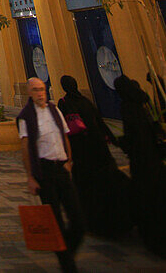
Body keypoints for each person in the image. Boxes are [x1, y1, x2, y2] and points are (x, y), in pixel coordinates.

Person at [18, 77, 85, 272]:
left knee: (78, 220)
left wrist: (69, 162)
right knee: (55, 220)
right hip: (44, 172)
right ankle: (67, 264)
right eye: (36, 90)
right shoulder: (26, 116)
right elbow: (25, 147)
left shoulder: (55, 110)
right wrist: (30, 177)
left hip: (62, 168)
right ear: (30, 92)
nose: (40, 93)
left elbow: (64, 136)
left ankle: (66, 253)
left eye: (42, 89)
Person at [56, 75, 131, 239]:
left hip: (81, 153)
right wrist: (114, 140)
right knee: (103, 184)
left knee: (86, 188)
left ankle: (92, 221)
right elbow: (100, 122)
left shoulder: (64, 103)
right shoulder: (86, 102)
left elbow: (62, 128)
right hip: (98, 150)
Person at [115, 75, 166, 257]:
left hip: (141, 161)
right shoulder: (145, 103)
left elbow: (132, 134)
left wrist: (122, 143)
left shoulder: (127, 108)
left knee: (148, 196)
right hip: (155, 158)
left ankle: (155, 236)